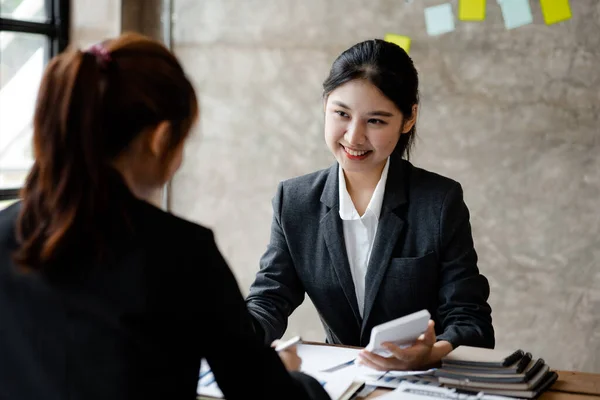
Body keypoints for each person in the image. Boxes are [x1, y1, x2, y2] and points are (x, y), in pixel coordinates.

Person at [0, 33, 329, 400]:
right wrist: (296, 379)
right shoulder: (182, 252)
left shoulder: (6, 232)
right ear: (160, 138)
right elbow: (263, 393)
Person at [246, 39, 495, 371]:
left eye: (375, 121)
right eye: (342, 114)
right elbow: (268, 301)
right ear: (325, 105)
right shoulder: (294, 200)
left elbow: (470, 318)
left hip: (421, 380)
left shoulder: (439, 202)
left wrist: (434, 351)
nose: (353, 136)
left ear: (408, 119)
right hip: (340, 384)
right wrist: (228, 337)